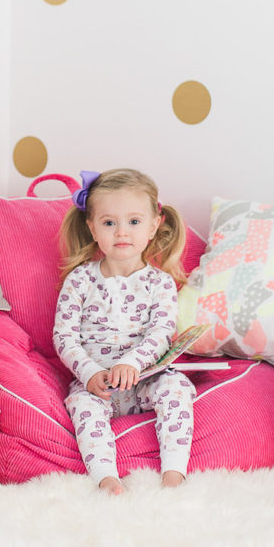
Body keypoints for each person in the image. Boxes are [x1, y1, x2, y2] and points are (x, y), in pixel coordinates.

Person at [52, 167, 194, 494]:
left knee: (176, 388)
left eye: (133, 221)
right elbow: (64, 336)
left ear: (154, 226)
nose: (121, 233)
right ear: (92, 228)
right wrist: (88, 373)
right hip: (98, 386)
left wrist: (133, 363)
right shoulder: (80, 281)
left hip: (146, 379)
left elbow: (161, 333)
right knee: (82, 408)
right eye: (108, 223)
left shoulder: (160, 283)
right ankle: (106, 478)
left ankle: (174, 473)